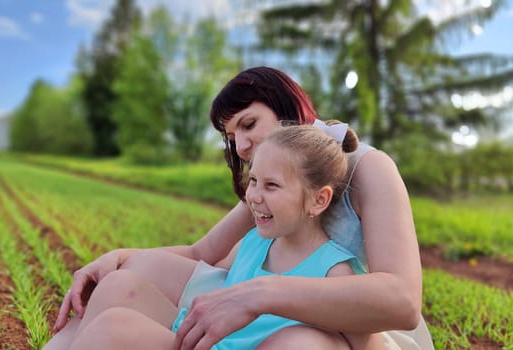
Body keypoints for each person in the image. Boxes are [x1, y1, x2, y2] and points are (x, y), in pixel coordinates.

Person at [45, 66, 433, 350]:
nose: (242, 146)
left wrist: (257, 294)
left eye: (249, 124)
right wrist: (116, 258)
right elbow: (203, 253)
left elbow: (401, 301)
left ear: (289, 108)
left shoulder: (366, 167)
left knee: (298, 343)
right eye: (232, 138)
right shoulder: (270, 188)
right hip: (263, 306)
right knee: (123, 280)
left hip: (345, 325)